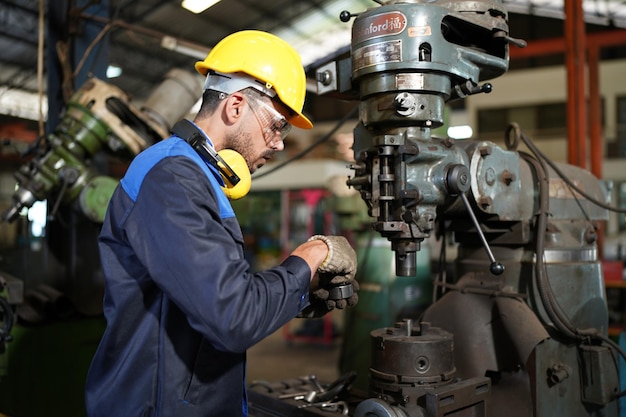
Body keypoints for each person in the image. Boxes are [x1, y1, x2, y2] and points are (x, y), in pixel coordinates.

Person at [84, 30, 358, 416]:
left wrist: (300, 292)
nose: (279, 143)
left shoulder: (199, 177)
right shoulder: (171, 179)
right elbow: (232, 318)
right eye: (278, 125)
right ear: (235, 107)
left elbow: (215, 293)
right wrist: (312, 254)